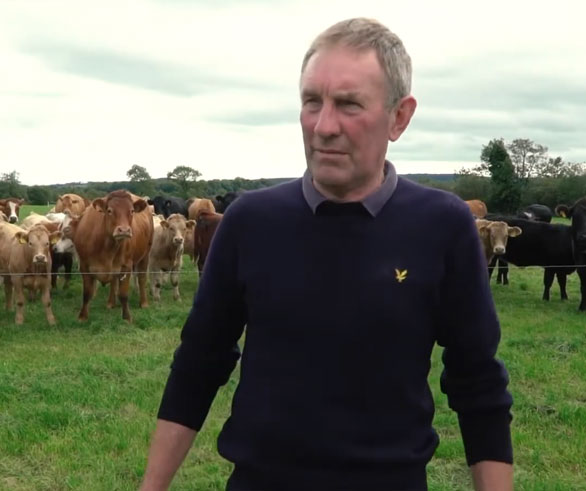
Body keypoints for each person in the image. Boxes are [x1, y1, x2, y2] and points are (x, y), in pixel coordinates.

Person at [141, 17, 513, 491]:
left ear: (399, 117)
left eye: (348, 104)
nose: (323, 125)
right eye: (311, 101)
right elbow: (198, 362)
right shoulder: (250, 222)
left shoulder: (444, 226)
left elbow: (478, 382)